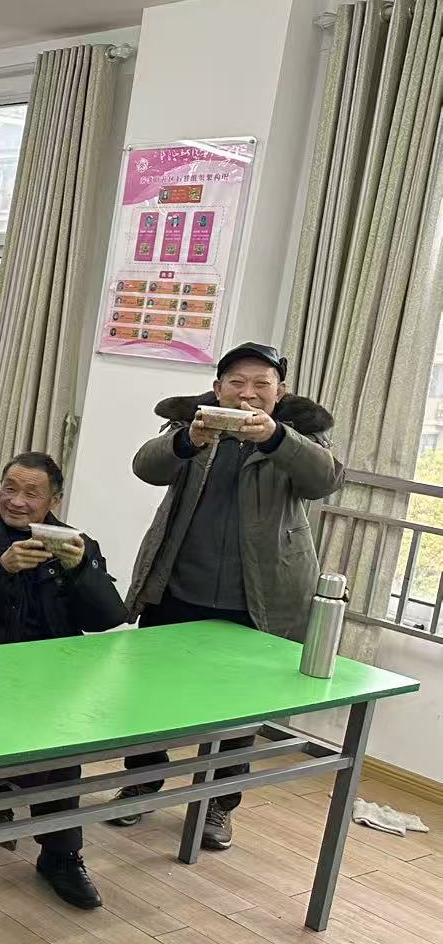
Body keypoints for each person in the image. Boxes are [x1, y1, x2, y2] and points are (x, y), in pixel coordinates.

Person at [111, 341, 345, 850]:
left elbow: (325, 480)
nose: (248, 394)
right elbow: (146, 467)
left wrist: (277, 438)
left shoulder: (300, 433)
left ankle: (218, 803)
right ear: (218, 388)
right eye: (237, 383)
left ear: (280, 392)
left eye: (262, 384)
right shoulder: (193, 423)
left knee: (241, 711)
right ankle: (142, 781)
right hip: (178, 587)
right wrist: (187, 440)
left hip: (256, 599)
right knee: (150, 694)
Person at [0, 452, 124, 911]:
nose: (16, 501)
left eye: (31, 494)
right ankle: (58, 847)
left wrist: (82, 569)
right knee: (52, 733)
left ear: (54, 501)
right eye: (9, 488)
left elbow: (108, 618)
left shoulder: (75, 543)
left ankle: (56, 852)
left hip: (52, 677)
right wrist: (0, 567)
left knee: (63, 726)